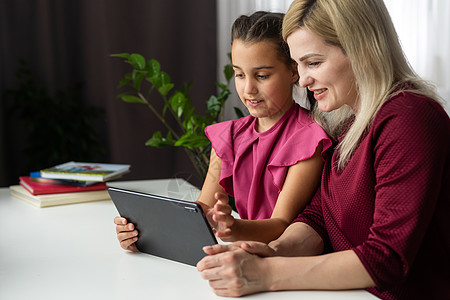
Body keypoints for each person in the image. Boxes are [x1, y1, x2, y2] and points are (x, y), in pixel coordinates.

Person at [196, 1, 450, 299]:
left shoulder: (410, 117)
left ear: (362, 50)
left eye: (313, 63)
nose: (302, 80)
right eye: (298, 64)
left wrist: (267, 274)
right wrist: (272, 252)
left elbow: (386, 258)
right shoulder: (348, 122)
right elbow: (319, 219)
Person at [114, 11, 332, 250]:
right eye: (239, 74)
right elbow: (202, 211)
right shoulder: (227, 137)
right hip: (242, 254)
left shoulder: (309, 139)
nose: (248, 88)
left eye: (262, 75)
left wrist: (235, 228)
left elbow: (281, 224)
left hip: (284, 260)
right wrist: (142, 235)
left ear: (293, 71)